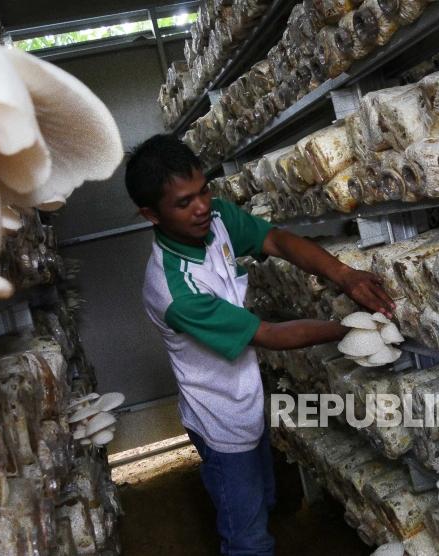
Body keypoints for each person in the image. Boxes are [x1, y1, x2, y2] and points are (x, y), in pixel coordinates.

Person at [124, 134, 394, 556]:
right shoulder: (176, 290)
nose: (201, 208)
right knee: (247, 537)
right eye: (183, 203)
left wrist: (344, 275)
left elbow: (278, 241)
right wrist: (354, 327)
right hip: (219, 422)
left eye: (204, 192)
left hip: (247, 399)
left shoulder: (216, 221)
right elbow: (271, 335)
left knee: (264, 498)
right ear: (150, 214)